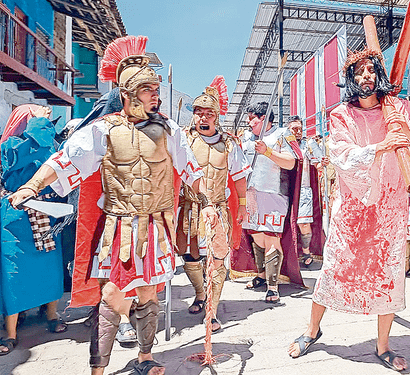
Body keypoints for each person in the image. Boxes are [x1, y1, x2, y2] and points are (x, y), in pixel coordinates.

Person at [7, 35, 212, 375]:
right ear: (128, 95)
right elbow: (64, 161)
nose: (156, 97)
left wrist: (206, 202)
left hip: (157, 225)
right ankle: (97, 370)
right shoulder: (102, 130)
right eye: (149, 91)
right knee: (112, 298)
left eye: (156, 91)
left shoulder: (170, 130)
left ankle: (146, 358)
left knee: (148, 294)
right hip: (121, 227)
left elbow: (191, 170)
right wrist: (31, 185)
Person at [287, 47, 410, 371]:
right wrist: (380, 147)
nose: (366, 76)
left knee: (390, 276)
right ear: (351, 79)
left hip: (391, 208)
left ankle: (383, 347)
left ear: (378, 74)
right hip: (353, 210)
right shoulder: (341, 114)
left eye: (371, 70)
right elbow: (342, 155)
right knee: (333, 270)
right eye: (359, 72)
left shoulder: (402, 109)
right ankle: (312, 330)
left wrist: (405, 130)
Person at [176, 76, 248, 333]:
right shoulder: (182, 140)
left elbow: (239, 177)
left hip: (217, 208)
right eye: (198, 113)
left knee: (217, 260)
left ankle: (213, 311)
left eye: (209, 114)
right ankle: (199, 293)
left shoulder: (229, 143)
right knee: (190, 256)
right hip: (189, 209)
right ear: (193, 115)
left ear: (216, 117)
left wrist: (242, 205)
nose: (203, 118)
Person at [0, 105, 68, 356]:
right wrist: (39, 122)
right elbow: (24, 154)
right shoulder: (10, 146)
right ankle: (11, 332)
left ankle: (52, 314)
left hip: (48, 213)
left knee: (49, 268)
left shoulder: (49, 144)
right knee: (14, 273)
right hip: (16, 217)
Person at [241, 102, 297, 303]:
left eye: (251, 118)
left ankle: (273, 286)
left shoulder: (281, 134)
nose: (248, 122)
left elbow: (290, 162)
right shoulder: (246, 138)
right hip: (250, 193)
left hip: (274, 193)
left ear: (263, 118)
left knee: (271, 237)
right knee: (256, 236)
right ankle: (262, 274)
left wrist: (267, 152)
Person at [286, 116, 328, 268]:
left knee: (303, 223)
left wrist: (321, 164)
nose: (298, 132)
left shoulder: (307, 146)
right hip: (285, 189)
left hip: (304, 190)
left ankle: (306, 251)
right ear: (288, 129)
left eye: (300, 129)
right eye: (294, 129)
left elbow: (317, 164)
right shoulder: (282, 145)